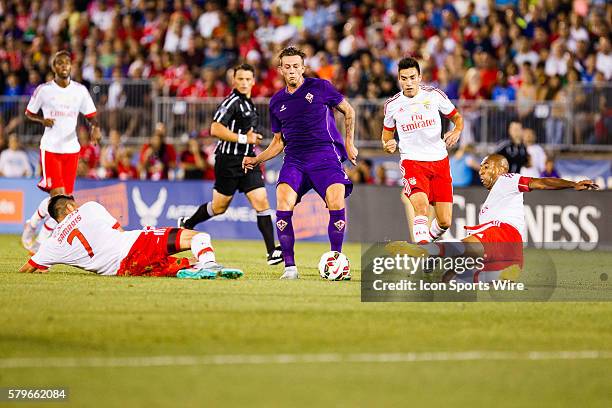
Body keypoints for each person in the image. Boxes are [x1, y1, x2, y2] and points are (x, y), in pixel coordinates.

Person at [242, 47, 358, 279]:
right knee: (283, 204)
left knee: (336, 202)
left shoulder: (320, 87)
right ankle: (290, 268)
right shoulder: (277, 102)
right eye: (288, 67)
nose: (292, 70)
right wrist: (257, 159)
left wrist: (349, 143)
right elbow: (278, 142)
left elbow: (348, 111)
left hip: (325, 156)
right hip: (294, 159)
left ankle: (336, 260)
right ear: (280, 70)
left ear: (303, 68)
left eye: (296, 66)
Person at [389, 154, 598, 282]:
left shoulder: (507, 179)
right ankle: (499, 273)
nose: (481, 172)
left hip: (502, 234)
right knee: (459, 276)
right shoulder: (492, 202)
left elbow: (539, 182)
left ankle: (427, 251)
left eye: (486, 166)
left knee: (459, 248)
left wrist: (572, 184)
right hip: (512, 250)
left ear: (501, 168)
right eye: (480, 168)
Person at [178, 64, 282, 266]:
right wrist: (244, 139)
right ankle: (188, 222)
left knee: (262, 202)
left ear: (253, 81)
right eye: (240, 79)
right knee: (219, 208)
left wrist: (251, 140)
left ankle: (272, 252)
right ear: (234, 81)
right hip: (228, 161)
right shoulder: (232, 101)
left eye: (247, 79)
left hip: (248, 160)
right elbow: (215, 128)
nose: (244, 83)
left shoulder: (249, 103)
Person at [19, 195, 242, 279]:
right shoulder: (89, 208)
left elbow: (28, 268)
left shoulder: (52, 244)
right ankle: (210, 265)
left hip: (123, 270)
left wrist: (41, 266)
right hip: (132, 245)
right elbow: (120, 233)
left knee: (171, 265)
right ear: (69, 207)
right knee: (197, 237)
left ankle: (191, 269)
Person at [21, 50, 101, 253]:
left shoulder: (80, 91)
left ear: (71, 66)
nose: (64, 65)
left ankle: (37, 234)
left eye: (67, 62)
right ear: (53, 67)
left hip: (71, 149)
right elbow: (29, 112)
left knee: (65, 199)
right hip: (51, 148)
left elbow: (91, 114)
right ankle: (35, 231)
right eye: (59, 63)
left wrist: (95, 127)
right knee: (56, 195)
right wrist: (42, 120)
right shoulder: (44, 90)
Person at [382, 57, 464, 244]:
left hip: (440, 161)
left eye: (412, 77)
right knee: (421, 207)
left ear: (420, 77)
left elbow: (457, 117)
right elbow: (386, 138)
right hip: (413, 162)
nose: (408, 83)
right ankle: (423, 255)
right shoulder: (392, 105)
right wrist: (389, 146)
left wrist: (457, 130)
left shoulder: (435, 96)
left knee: (445, 221)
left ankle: (425, 241)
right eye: (404, 78)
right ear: (399, 79)